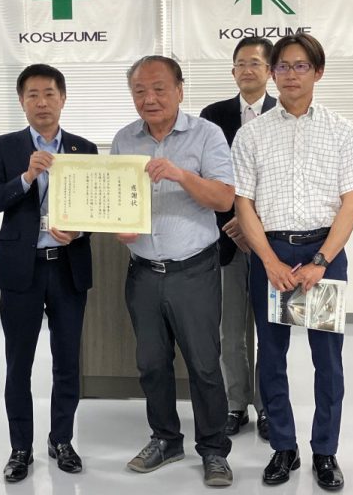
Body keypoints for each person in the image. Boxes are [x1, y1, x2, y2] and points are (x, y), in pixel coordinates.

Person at [232, 33, 353, 490]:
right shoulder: (251, 133)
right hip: (271, 254)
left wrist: (320, 259)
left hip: (323, 255)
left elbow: (352, 204)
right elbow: (243, 204)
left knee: (327, 360)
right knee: (271, 358)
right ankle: (284, 447)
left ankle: (325, 451)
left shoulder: (341, 130)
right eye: (283, 67)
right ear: (272, 74)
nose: (291, 75)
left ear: (318, 72)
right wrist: (269, 260)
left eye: (301, 66)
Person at [112, 55, 235, 487]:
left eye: (159, 88)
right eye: (140, 91)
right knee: (151, 364)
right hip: (143, 271)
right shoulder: (124, 139)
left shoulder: (207, 134)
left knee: (204, 365)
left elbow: (224, 198)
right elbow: (117, 201)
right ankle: (165, 438)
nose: (149, 98)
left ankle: (214, 449)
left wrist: (181, 175)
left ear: (180, 90)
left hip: (193, 271)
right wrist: (119, 227)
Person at [0, 64, 97, 483]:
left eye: (49, 93)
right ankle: (20, 448)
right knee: (19, 363)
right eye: (32, 94)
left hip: (67, 267)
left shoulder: (84, 148)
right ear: (22, 101)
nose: (42, 102)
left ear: (62, 98)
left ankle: (61, 440)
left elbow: (96, 208)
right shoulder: (5, 146)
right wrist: (27, 176)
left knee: (67, 361)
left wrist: (80, 230)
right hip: (22, 269)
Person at [200, 36, 275, 440]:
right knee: (230, 331)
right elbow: (206, 175)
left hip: (270, 242)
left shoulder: (284, 113)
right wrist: (233, 220)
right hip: (226, 240)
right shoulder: (213, 116)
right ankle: (235, 404)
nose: (247, 70)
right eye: (241, 63)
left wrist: (253, 222)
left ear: (270, 71)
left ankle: (267, 407)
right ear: (233, 71)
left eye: (255, 63)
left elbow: (286, 180)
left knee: (269, 330)